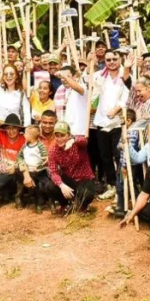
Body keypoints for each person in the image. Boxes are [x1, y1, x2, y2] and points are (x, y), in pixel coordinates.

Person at [90, 50, 130, 197]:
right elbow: (85, 82)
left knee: (119, 155)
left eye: (114, 59)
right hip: (101, 121)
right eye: (108, 60)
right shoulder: (99, 76)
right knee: (105, 156)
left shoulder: (125, 75)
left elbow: (128, 96)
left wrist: (116, 109)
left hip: (118, 122)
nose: (111, 62)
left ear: (120, 59)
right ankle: (112, 185)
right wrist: (91, 63)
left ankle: (122, 186)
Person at [46, 122, 100, 214]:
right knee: (50, 187)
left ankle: (81, 206)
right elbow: (53, 172)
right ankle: (64, 204)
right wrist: (61, 185)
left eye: (62, 135)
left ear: (68, 135)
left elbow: (84, 141)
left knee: (87, 194)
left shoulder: (77, 144)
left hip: (84, 179)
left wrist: (73, 140)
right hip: (68, 179)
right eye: (57, 136)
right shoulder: (53, 150)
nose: (59, 139)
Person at [0, 114, 28, 206]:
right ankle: (5, 192)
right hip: (2, 174)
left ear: (19, 129)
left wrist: (16, 167)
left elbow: (29, 158)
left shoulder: (24, 139)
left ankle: (18, 195)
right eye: (8, 128)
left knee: (21, 175)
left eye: (14, 128)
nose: (11, 131)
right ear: (5, 128)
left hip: (18, 174)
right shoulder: (0, 134)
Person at [18, 124, 52, 214]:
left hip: (41, 171)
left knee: (47, 186)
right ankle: (38, 205)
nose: (24, 135)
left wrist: (39, 166)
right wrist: (22, 164)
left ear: (31, 136)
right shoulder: (24, 146)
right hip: (31, 172)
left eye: (25, 133)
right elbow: (19, 156)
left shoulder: (40, 146)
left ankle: (52, 203)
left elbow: (45, 158)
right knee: (34, 189)